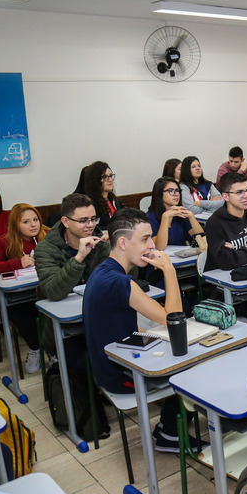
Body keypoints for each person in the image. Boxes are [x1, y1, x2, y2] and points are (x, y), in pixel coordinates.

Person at [83, 208, 204, 452]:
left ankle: (168, 426)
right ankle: (170, 434)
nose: (152, 246)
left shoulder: (104, 270)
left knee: (179, 348)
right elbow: (174, 319)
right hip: (122, 374)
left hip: (118, 359)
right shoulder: (120, 282)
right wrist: (169, 271)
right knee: (196, 366)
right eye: (145, 239)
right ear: (123, 242)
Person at [35, 193, 110, 366]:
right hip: (64, 327)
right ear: (66, 222)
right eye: (83, 220)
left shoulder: (101, 242)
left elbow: (121, 280)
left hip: (99, 316)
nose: (90, 225)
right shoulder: (45, 250)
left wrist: (122, 254)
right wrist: (79, 258)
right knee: (81, 365)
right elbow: (53, 291)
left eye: (93, 219)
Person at [0, 204, 48, 373]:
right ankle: (35, 348)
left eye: (35, 219)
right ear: (15, 224)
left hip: (44, 288)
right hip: (18, 295)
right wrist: (17, 263)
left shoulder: (46, 236)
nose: (33, 225)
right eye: (26, 221)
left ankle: (53, 350)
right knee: (25, 314)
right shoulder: (5, 241)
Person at [204, 172, 247, 270]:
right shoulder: (215, 222)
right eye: (239, 192)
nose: (246, 195)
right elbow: (225, 261)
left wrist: (236, 251)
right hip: (220, 280)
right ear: (225, 196)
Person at [146, 176, 204, 250]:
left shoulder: (180, 214)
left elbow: (201, 241)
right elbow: (160, 247)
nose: (176, 194)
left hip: (183, 258)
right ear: (159, 194)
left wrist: (191, 216)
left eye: (177, 190)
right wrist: (166, 217)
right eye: (170, 190)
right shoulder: (150, 217)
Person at [83, 161, 125, 229]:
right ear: (95, 180)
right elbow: (95, 228)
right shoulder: (90, 204)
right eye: (105, 177)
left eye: (111, 176)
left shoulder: (113, 199)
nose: (110, 180)